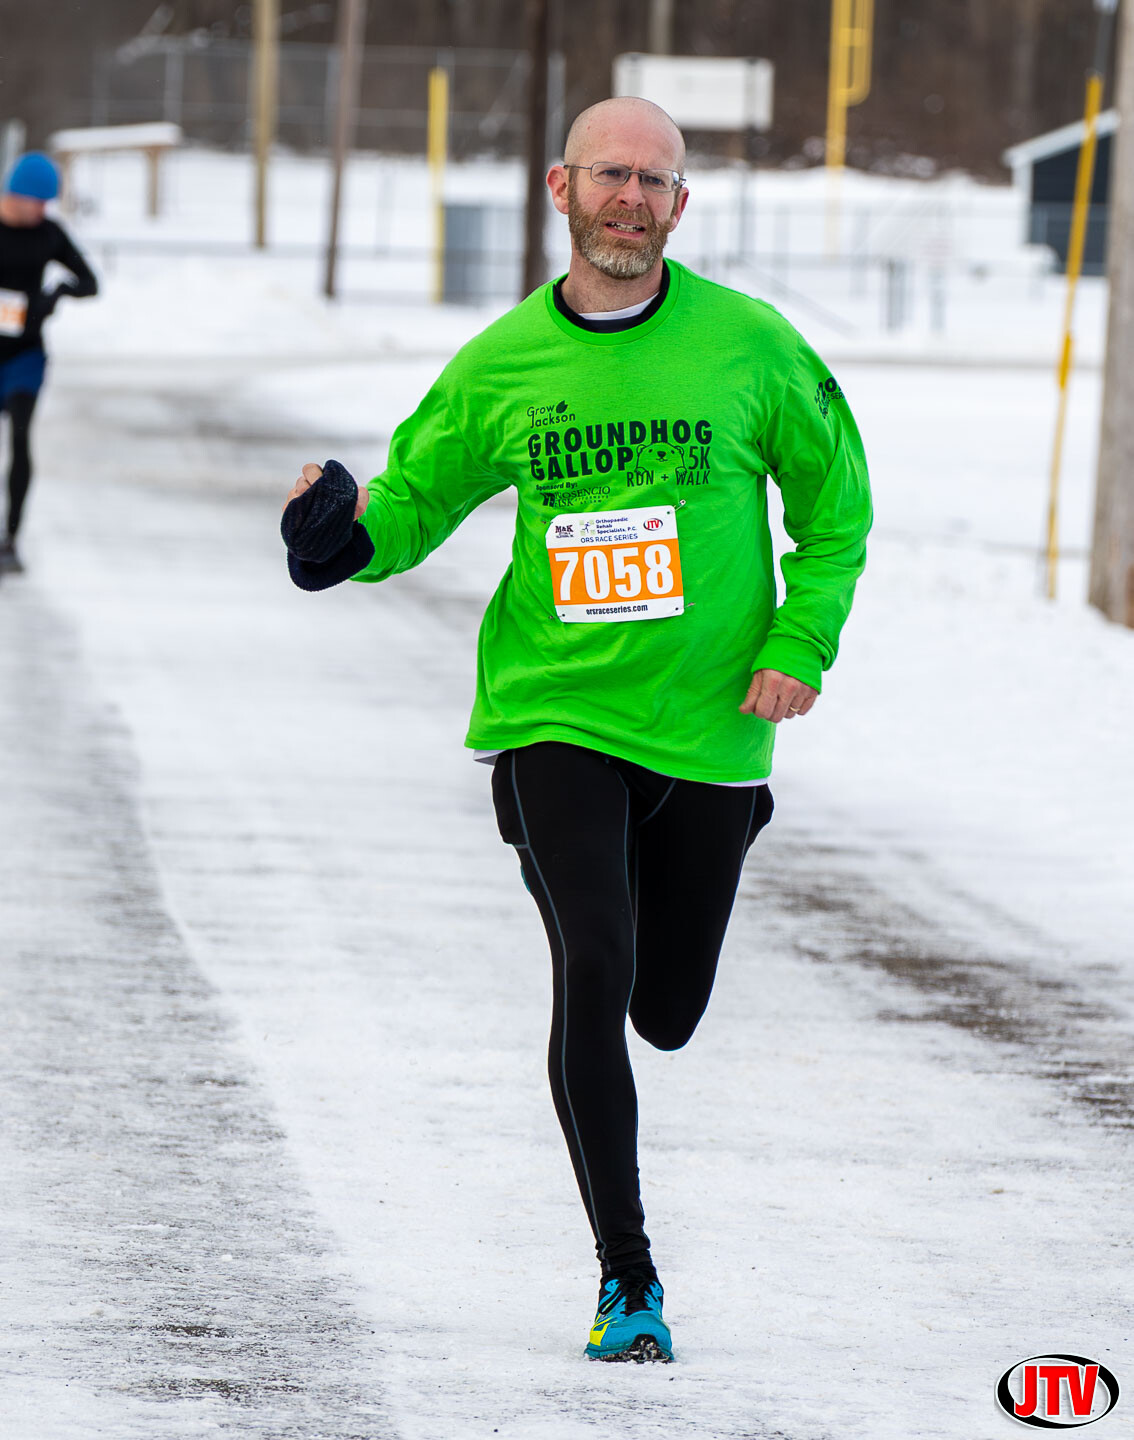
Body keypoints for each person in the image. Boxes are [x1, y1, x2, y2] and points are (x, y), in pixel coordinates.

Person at [281, 97, 872, 1364]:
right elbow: (415, 497)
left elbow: (838, 512)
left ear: (680, 205)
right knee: (593, 967)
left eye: (655, 182)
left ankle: (730, 825)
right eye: (612, 174)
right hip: (554, 709)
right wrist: (337, 537)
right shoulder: (503, 363)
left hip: (710, 728)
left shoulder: (752, 346)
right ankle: (628, 1276)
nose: (632, 199)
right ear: (563, 187)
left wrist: (799, 642)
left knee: (667, 1012)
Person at [0, 151, 98, 574]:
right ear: (15, 194)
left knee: (21, 442)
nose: (42, 210)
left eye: (47, 203)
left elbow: (89, 282)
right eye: (37, 201)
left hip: (25, 357)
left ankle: (10, 539)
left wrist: (55, 294)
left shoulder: (49, 234)